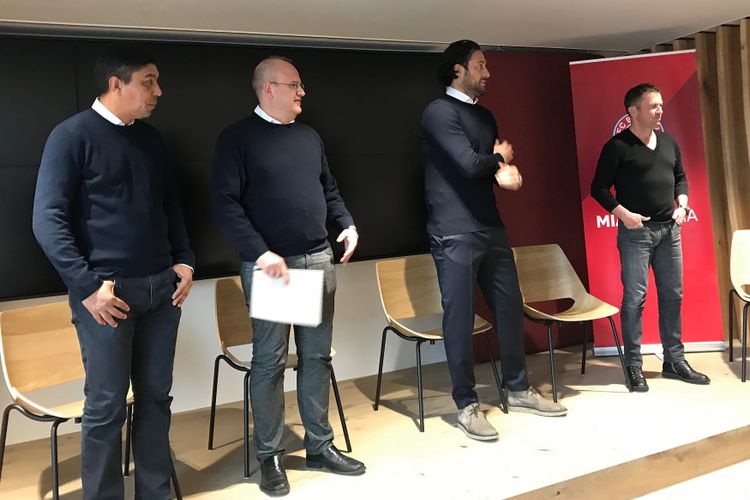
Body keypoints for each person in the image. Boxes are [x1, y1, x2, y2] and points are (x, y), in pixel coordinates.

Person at [32, 44, 194, 499]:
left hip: (162, 290)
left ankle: (154, 493)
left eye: (157, 81)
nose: (158, 91)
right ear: (115, 84)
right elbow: (47, 220)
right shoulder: (71, 136)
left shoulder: (152, 139)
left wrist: (184, 259)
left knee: (156, 401)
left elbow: (170, 204)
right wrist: (87, 287)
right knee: (105, 407)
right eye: (148, 82)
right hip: (107, 296)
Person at [212, 56, 365, 497]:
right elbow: (226, 204)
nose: (302, 93)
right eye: (294, 85)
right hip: (273, 269)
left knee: (317, 359)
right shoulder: (237, 139)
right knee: (270, 362)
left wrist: (347, 223)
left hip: (317, 258)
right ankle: (271, 457)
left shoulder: (309, 136)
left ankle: (320, 447)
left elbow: (328, 188)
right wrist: (260, 253)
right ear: (268, 89)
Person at [420, 40, 567, 442]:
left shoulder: (485, 116)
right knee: (460, 317)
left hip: (490, 225)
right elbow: (469, 164)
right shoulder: (438, 112)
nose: (487, 73)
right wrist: (499, 161)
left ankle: (518, 388)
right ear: (457, 70)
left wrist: (507, 172)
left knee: (508, 306)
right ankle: (467, 405)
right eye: (480, 65)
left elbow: (489, 168)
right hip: (453, 229)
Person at [590, 82, 710, 392]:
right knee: (635, 298)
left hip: (669, 231)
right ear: (633, 111)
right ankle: (633, 365)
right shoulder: (617, 147)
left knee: (673, 294)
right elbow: (599, 188)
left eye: (660, 105)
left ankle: (674, 360)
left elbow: (680, 177)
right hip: (636, 233)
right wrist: (623, 214)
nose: (659, 110)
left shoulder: (669, 142)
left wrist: (682, 203)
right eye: (653, 105)